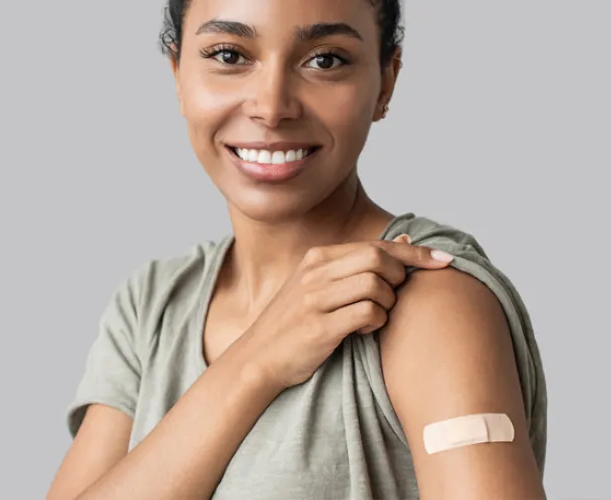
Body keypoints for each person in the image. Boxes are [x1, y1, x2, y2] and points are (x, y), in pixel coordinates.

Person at [45, 0, 548, 499]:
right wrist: (257, 361)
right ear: (178, 74)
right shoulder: (151, 305)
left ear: (386, 81)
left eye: (325, 60)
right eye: (228, 55)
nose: (271, 106)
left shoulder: (430, 298)